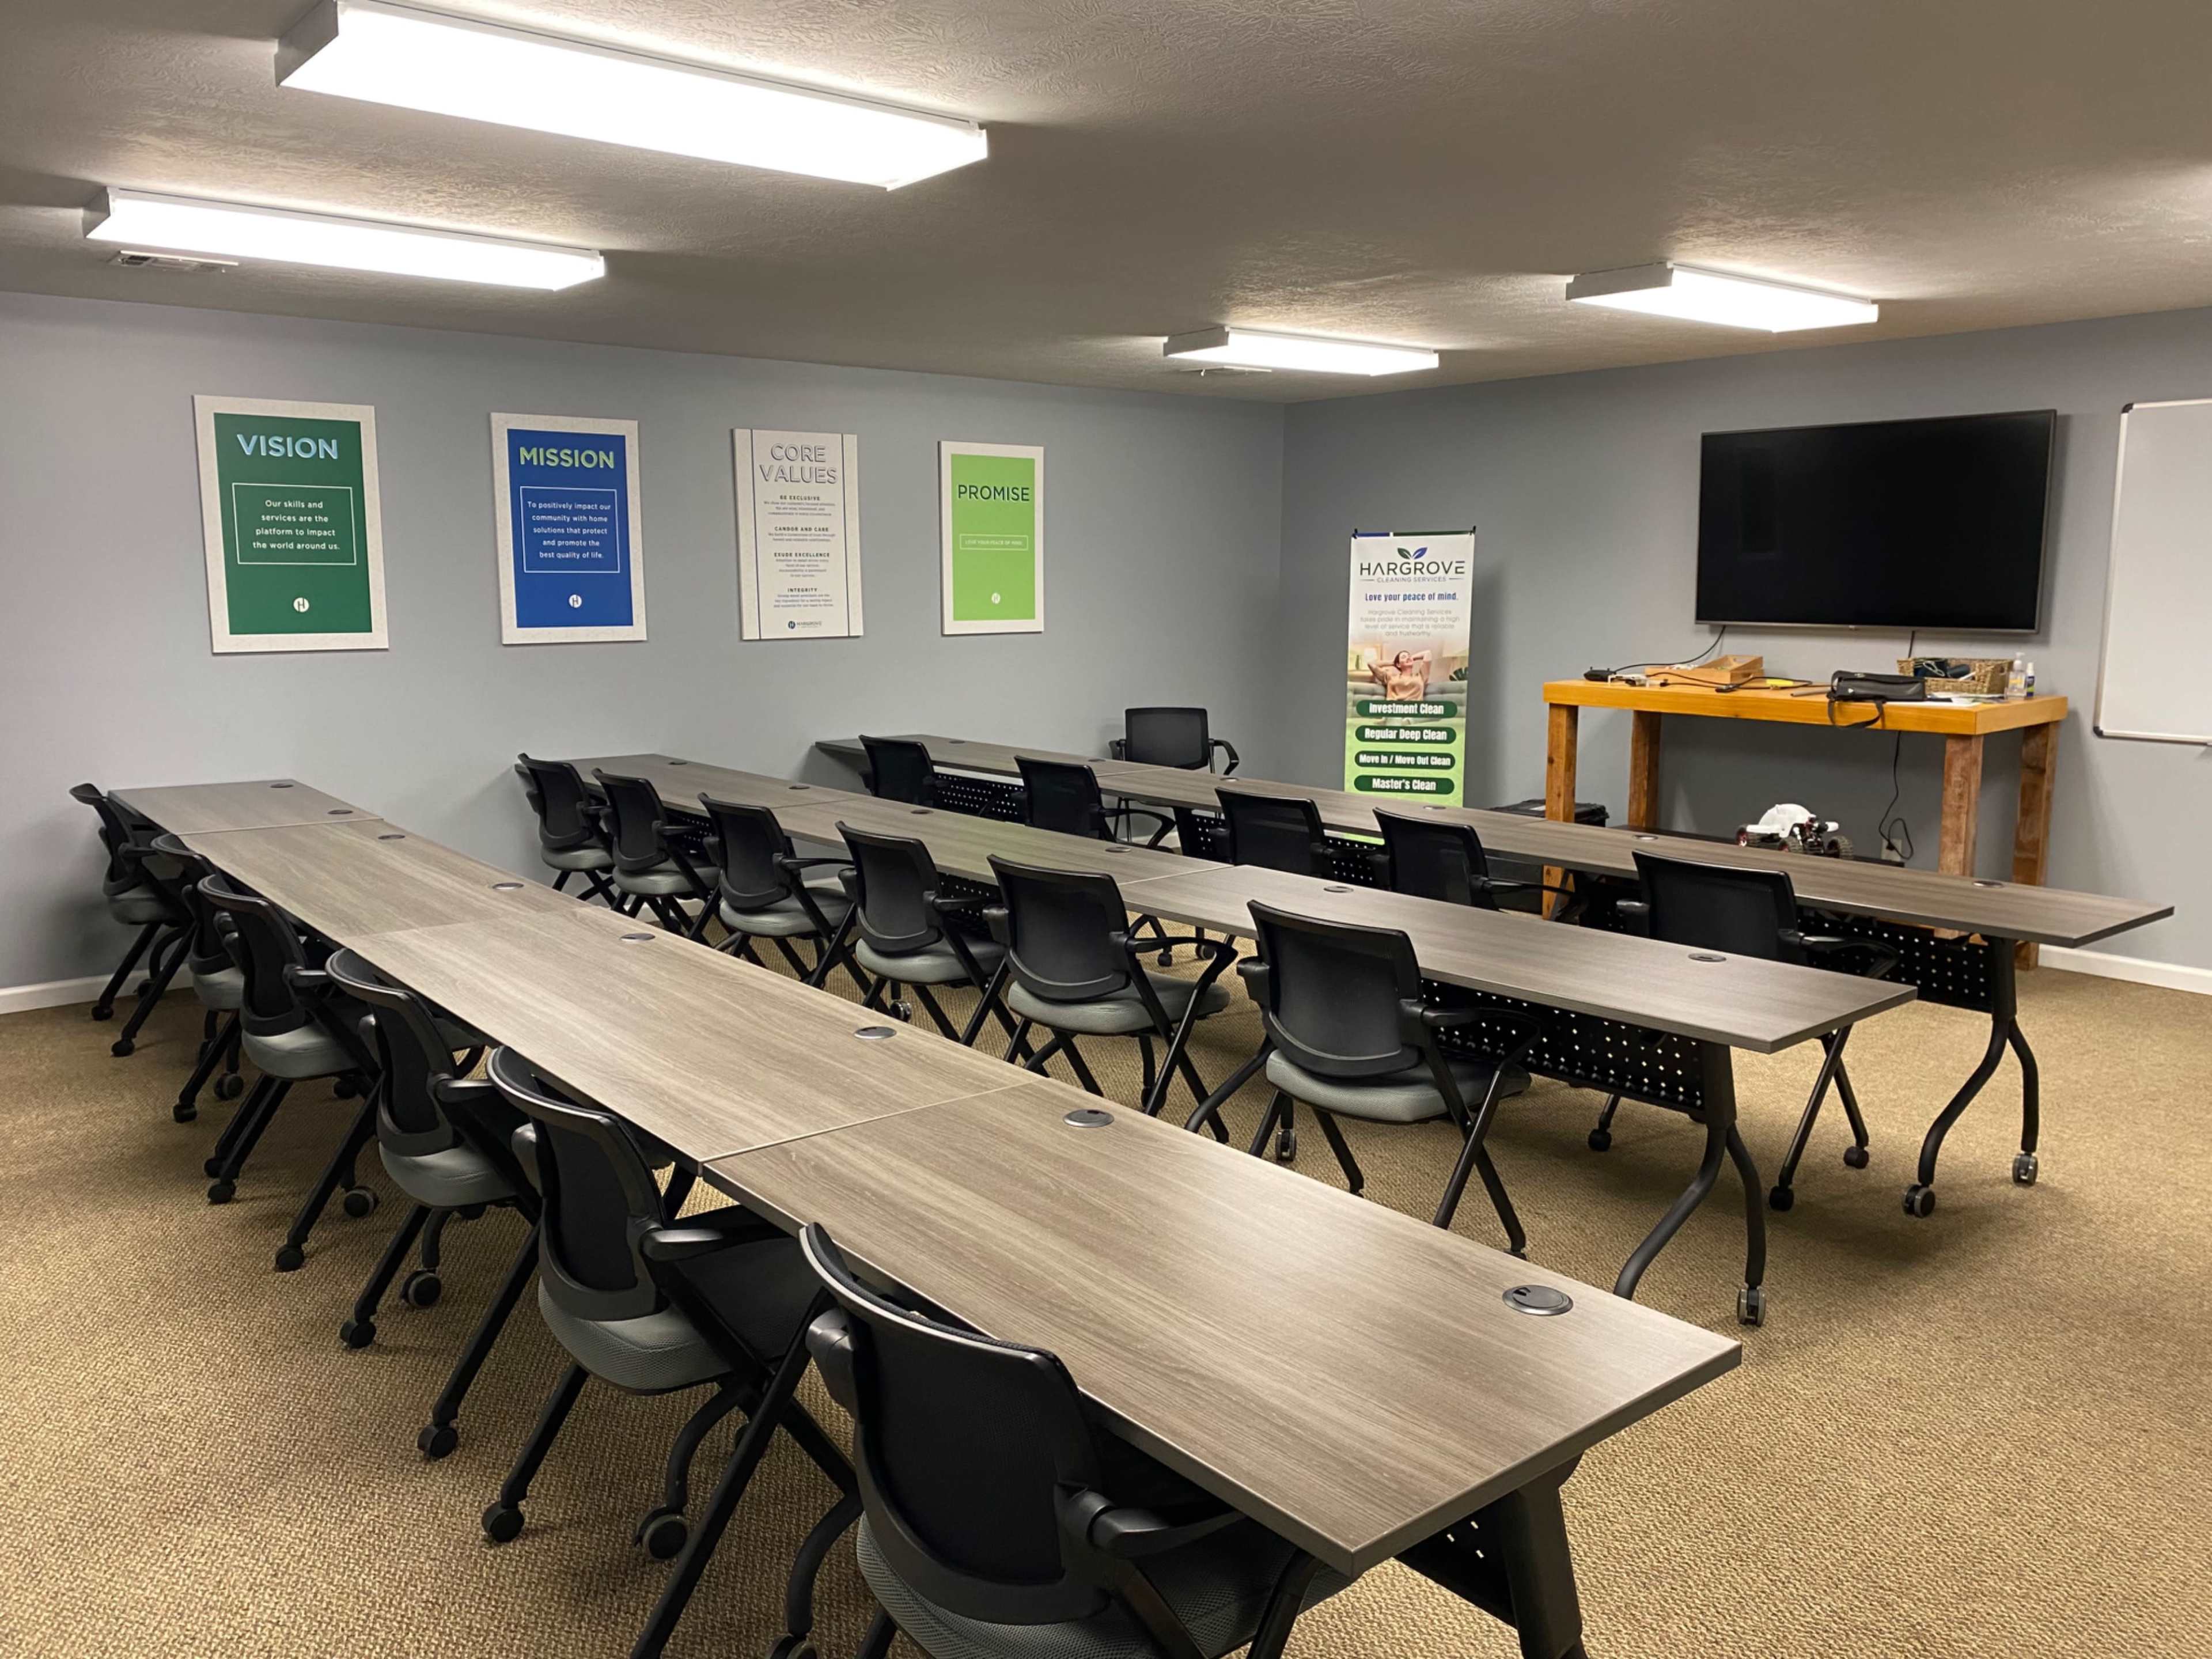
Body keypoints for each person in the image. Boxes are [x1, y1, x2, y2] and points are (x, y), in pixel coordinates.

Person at [1366, 647, 1431, 701]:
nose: (1408, 658)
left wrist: (1411, 658)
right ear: (1398, 665)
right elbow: (1371, 664)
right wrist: (1393, 663)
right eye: (1404, 657)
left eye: (1409, 656)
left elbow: (1428, 653)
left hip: (1415, 711)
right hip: (1395, 709)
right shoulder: (1391, 677)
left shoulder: (1421, 676)